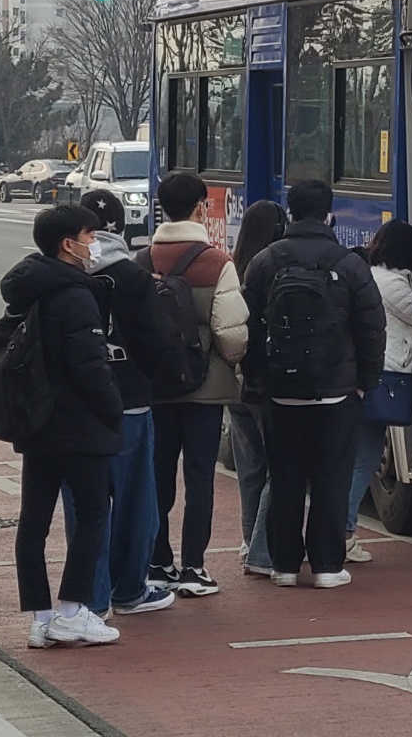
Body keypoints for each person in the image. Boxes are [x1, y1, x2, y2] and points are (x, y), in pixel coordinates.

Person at [241, 180, 386, 589]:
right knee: (331, 478)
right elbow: (373, 329)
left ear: (289, 213)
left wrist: (257, 379)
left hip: (279, 392)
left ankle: (284, 566)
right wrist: (365, 383)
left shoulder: (265, 261)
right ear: (329, 215)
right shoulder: (349, 263)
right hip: (336, 392)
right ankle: (325, 566)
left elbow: (246, 327)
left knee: (284, 477)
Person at [2, 204, 123, 647]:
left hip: (35, 421)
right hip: (78, 425)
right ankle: (73, 610)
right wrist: (113, 411)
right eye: (89, 236)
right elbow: (91, 368)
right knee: (93, 513)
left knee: (33, 520)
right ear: (68, 244)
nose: (94, 244)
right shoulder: (75, 296)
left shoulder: (28, 289)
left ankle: (40, 618)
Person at [58, 191, 174, 619]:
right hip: (129, 402)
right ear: (121, 227)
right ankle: (129, 589)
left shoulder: (59, 276)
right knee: (134, 502)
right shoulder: (132, 275)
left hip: (73, 409)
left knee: (83, 506)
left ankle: (91, 597)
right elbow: (157, 341)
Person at [144, 171, 249, 598]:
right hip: (205, 388)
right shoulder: (217, 263)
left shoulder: (142, 260)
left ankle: (157, 562)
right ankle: (194, 567)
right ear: (202, 207)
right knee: (200, 476)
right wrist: (229, 362)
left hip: (155, 388)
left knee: (157, 476)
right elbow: (233, 332)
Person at [347, 221, 412, 561]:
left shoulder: (373, 275)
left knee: (364, 457)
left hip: (373, 376)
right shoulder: (393, 285)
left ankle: (342, 532)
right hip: (391, 379)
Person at [227, 199, 287, 577]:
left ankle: (250, 540)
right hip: (266, 383)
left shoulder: (232, 269)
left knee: (249, 469)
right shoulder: (272, 271)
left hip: (236, 382)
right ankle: (262, 551)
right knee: (278, 469)